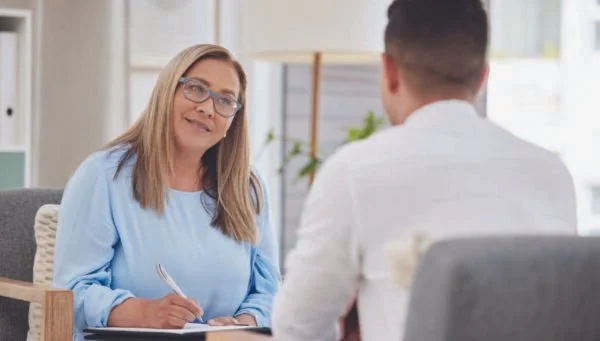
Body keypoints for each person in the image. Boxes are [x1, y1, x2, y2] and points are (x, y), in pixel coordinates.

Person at [271, 0, 577, 340]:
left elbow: (297, 327)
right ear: (482, 77)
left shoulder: (354, 173)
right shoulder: (552, 174)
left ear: (389, 71)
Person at [53, 44, 280, 340]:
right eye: (197, 89)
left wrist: (245, 320)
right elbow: (70, 290)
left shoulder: (247, 187)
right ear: (168, 91)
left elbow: (269, 291)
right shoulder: (103, 175)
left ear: (233, 120)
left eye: (225, 101)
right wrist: (142, 313)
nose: (208, 108)